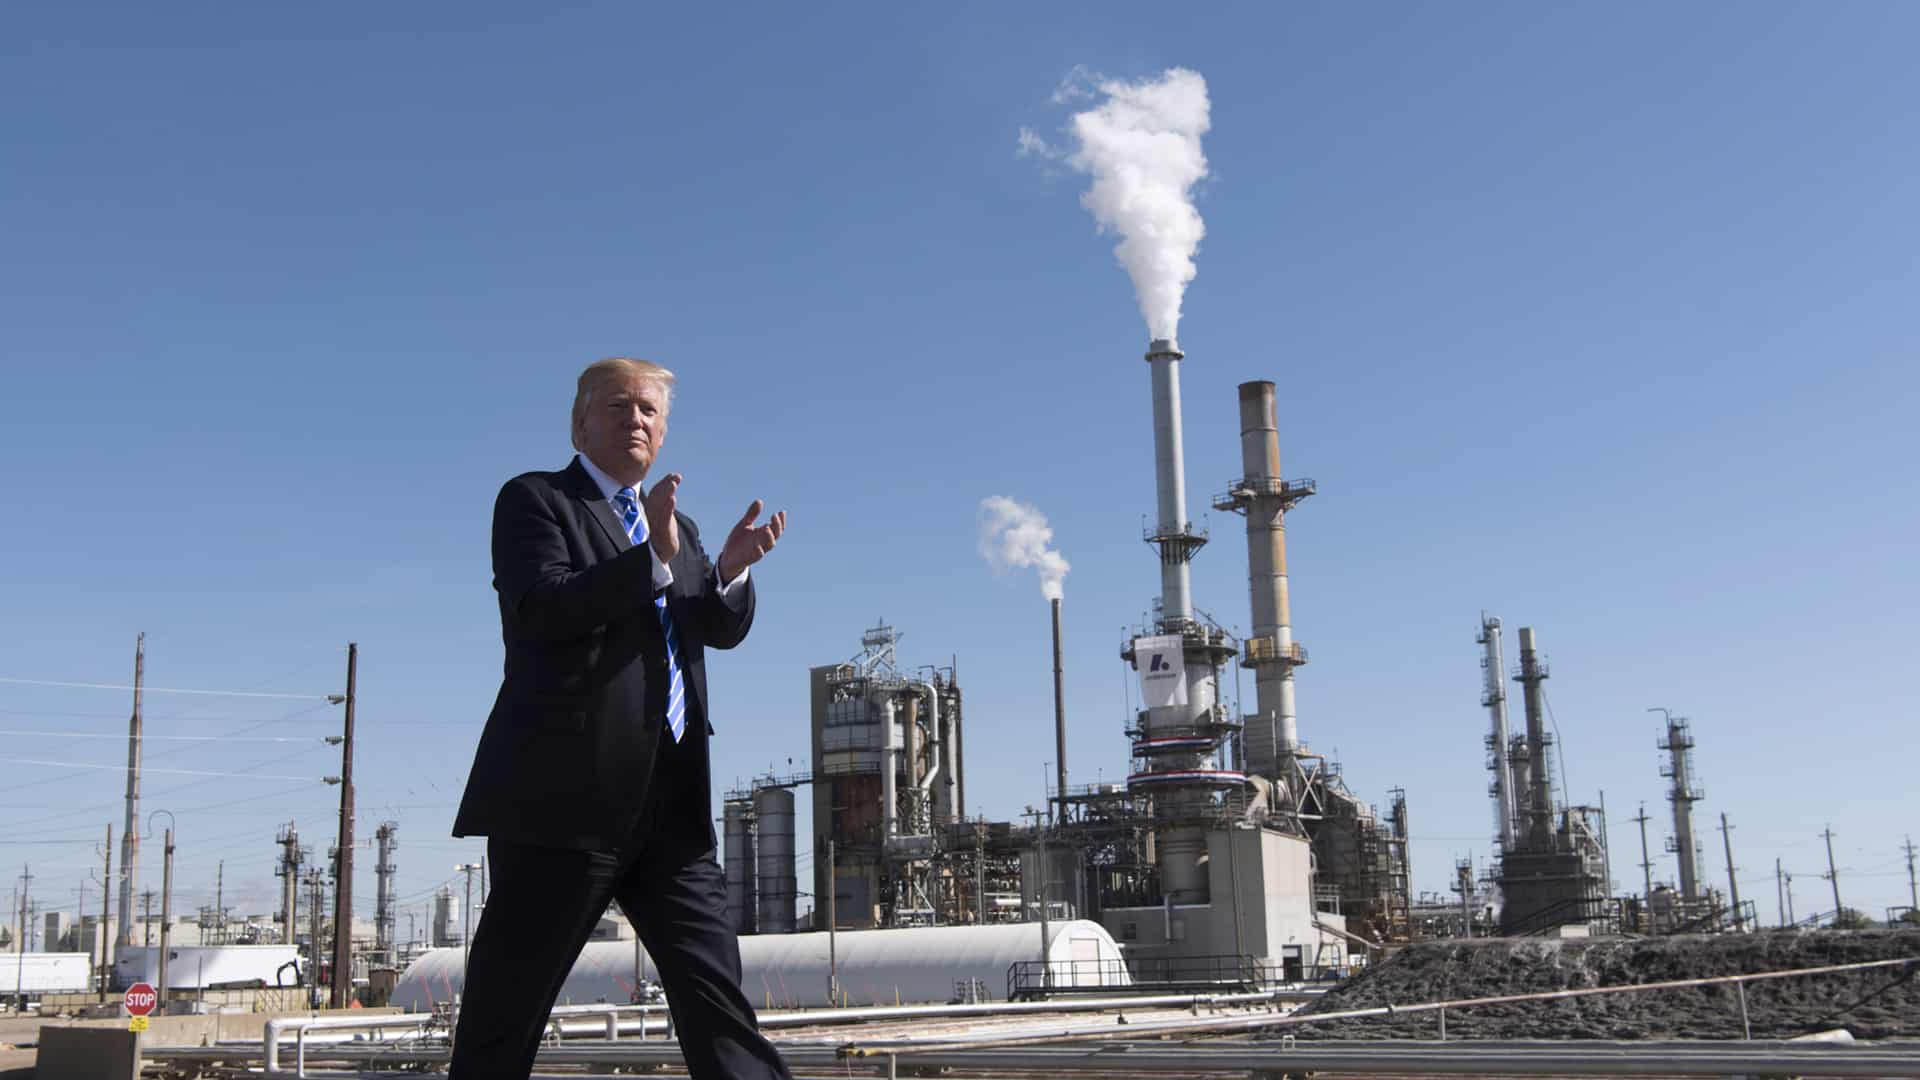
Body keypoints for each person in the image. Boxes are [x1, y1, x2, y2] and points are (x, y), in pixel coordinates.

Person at [449, 357, 790, 1079]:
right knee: (502, 1022)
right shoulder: (537, 501)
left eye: (649, 411)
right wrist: (652, 560)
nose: (636, 420)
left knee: (720, 1008)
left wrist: (727, 570)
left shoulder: (679, 525)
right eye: (618, 406)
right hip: (564, 806)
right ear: (580, 422)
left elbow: (711, 629)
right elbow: (542, 610)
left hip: (672, 811)